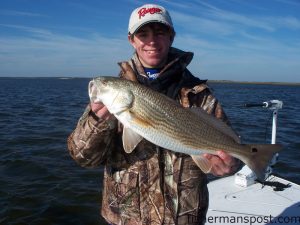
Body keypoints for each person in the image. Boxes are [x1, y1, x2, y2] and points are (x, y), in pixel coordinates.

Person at [67, 4, 240, 225]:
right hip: (125, 218)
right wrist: (97, 121)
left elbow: (226, 153)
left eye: (160, 33)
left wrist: (229, 164)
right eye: (143, 34)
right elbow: (83, 158)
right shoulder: (114, 96)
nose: (151, 41)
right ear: (132, 40)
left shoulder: (201, 96)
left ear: (171, 36)